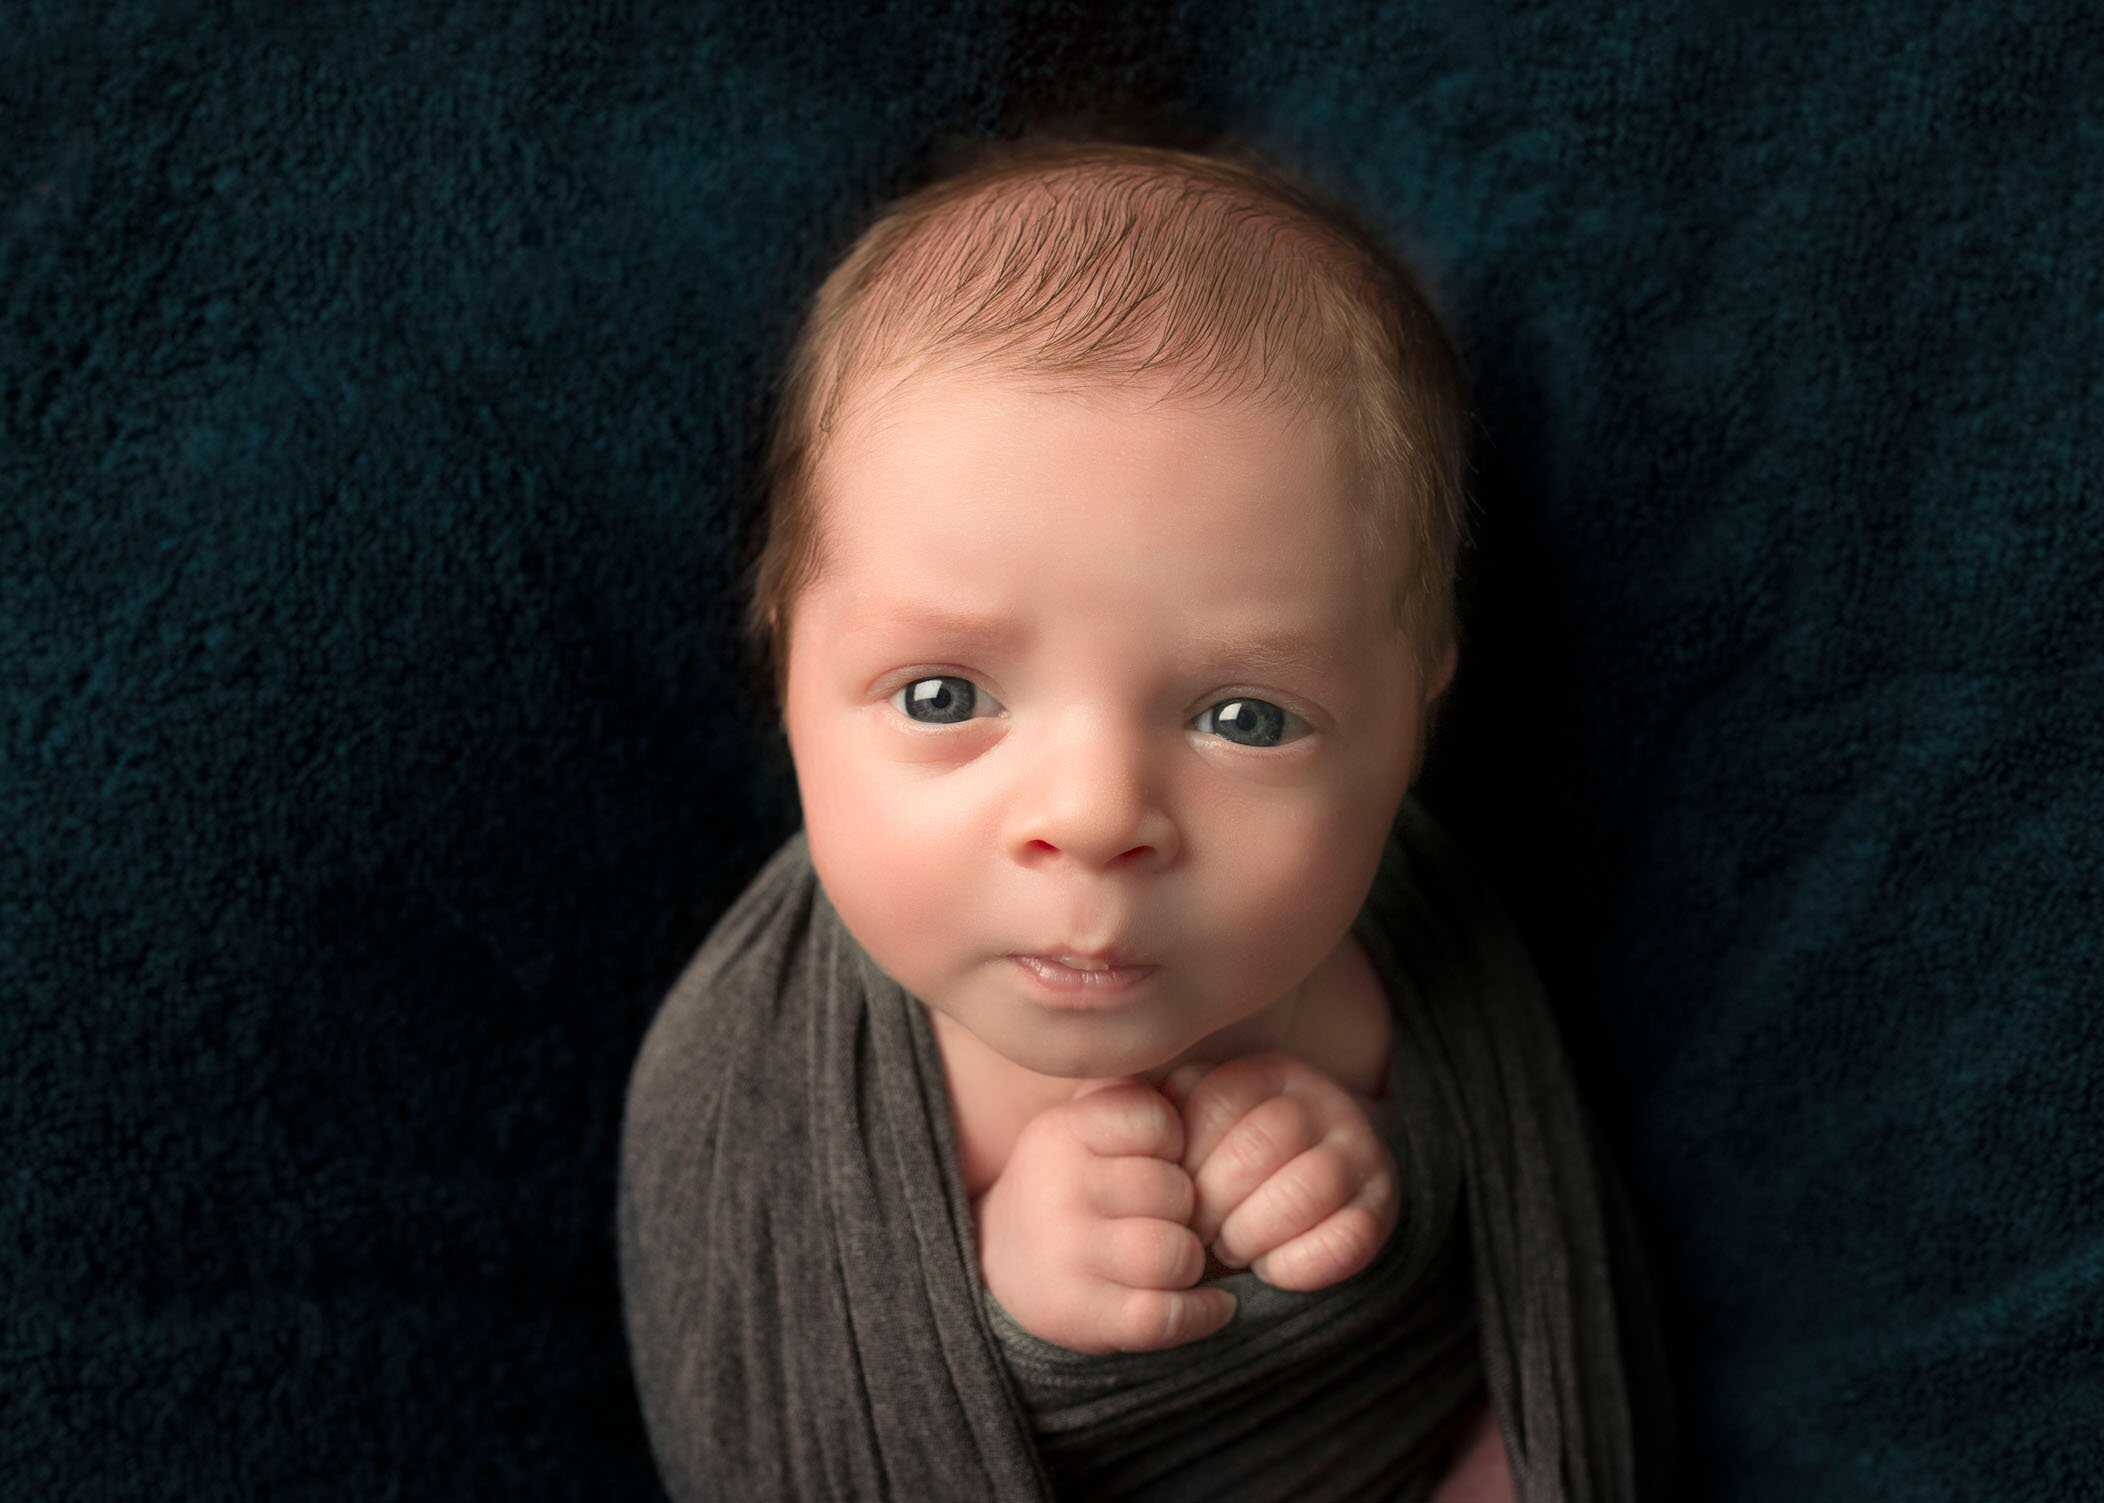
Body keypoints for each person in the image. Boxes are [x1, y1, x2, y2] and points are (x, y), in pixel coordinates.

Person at [620, 124, 1671, 1501]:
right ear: (786, 671)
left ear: (1415, 718)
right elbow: (775, 1420)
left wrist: (1371, 1191)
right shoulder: (757, 1080)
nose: (1095, 814)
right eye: (944, 696)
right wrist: (1022, 1315)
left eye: (1245, 718)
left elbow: (1538, 1320)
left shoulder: (1418, 971)